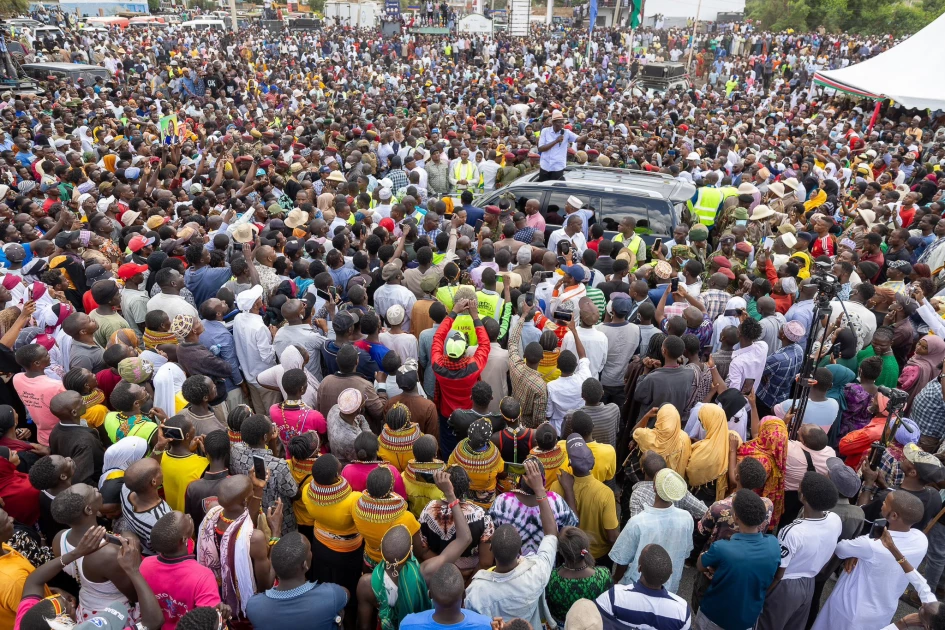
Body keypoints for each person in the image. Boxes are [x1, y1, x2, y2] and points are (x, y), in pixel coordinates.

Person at [356, 469, 474, 630]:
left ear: (382, 550)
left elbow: (363, 625)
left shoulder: (366, 583)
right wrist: (450, 494)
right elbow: (465, 538)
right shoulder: (425, 572)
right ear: (410, 549)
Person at [812, 491, 929, 630]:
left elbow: (840, 548)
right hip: (883, 612)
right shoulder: (921, 539)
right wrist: (858, 553)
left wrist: (856, 553)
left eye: (885, 502)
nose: (882, 504)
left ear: (894, 515)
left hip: (850, 609)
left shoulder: (870, 545)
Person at [465, 459, 559, 630]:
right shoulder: (537, 572)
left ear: (491, 548)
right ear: (520, 552)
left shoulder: (477, 590)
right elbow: (552, 534)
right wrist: (539, 489)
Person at [756, 472, 842, 630]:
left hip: (785, 586)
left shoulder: (792, 531)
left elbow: (778, 573)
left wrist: (763, 595)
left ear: (803, 498)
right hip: (809, 583)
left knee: (768, 625)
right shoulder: (834, 519)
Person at [695, 489, 781, 630]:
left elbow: (700, 565)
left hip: (715, 616)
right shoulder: (773, 544)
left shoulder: (721, 548)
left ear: (736, 517)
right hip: (748, 619)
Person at [610, 467, 693, 593]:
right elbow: (685, 552)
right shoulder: (686, 518)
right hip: (669, 586)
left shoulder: (638, 522)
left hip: (637, 584)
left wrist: (616, 579)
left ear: (654, 487)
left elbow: (622, 559)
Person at [246, 532, 349, 630]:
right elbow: (345, 594)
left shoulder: (253, 606)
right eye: (310, 551)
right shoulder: (331, 595)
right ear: (304, 565)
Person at [140, 511, 223, 630]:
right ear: (184, 539)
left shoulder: (145, 565)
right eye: (186, 519)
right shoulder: (203, 576)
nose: (189, 516)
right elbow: (209, 622)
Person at [593, 544, 693, 630]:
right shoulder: (682, 610)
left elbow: (593, 622)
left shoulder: (614, 596)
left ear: (639, 568)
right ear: (670, 573)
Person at [544, 526, 612, 625]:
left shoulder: (551, 578)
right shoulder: (603, 576)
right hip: (592, 625)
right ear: (585, 547)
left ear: (561, 551)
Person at [158, 414, 209, 513]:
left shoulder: (161, 458)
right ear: (187, 436)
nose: (194, 427)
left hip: (170, 513)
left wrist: (189, 450)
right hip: (188, 518)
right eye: (192, 426)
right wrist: (208, 452)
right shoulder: (202, 464)